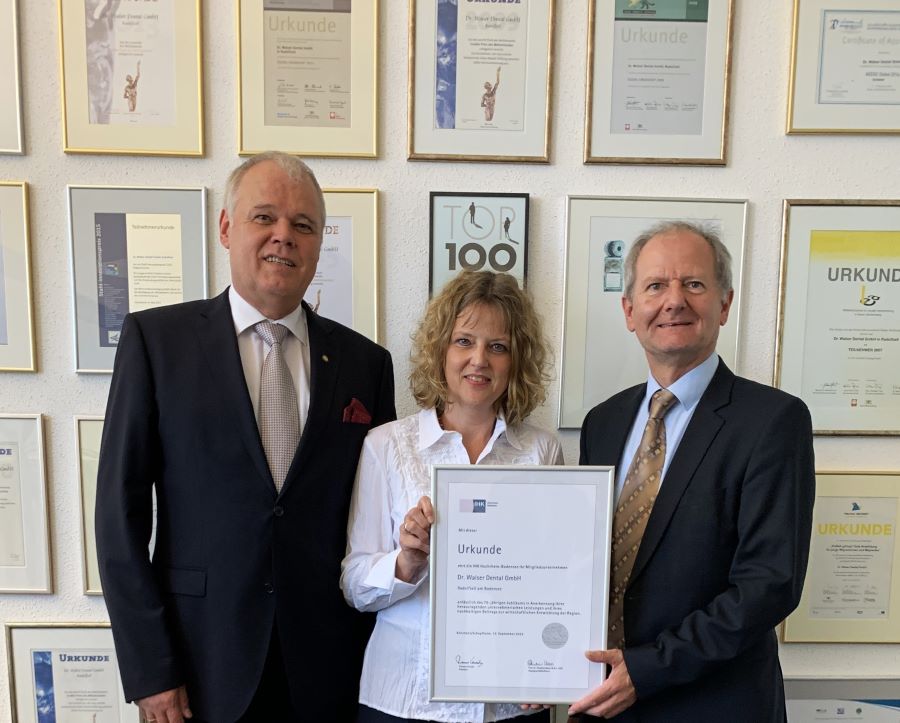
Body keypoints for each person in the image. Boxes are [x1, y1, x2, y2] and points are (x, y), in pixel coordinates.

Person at [96, 151, 396, 723]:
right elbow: (118, 519)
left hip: (331, 666)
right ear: (227, 227)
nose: (284, 236)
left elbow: (381, 520)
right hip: (199, 665)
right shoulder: (156, 344)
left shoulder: (366, 364)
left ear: (317, 244)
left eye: (303, 225)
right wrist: (151, 670)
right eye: (265, 217)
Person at [570, 221, 815, 722]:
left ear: (724, 305)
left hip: (716, 704)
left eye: (694, 284)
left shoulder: (773, 420)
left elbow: (768, 585)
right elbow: (581, 563)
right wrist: (538, 664)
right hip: (604, 703)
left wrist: (648, 669)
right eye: (656, 285)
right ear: (629, 310)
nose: (674, 300)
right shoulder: (603, 422)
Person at [341, 271, 562, 723]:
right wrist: (406, 564)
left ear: (515, 360)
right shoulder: (386, 445)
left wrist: (552, 669)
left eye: (497, 346)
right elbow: (354, 586)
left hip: (510, 705)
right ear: (440, 350)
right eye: (464, 341)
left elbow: (556, 584)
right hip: (403, 700)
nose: (478, 359)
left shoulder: (543, 451)